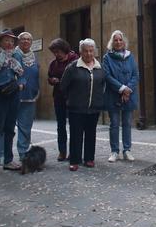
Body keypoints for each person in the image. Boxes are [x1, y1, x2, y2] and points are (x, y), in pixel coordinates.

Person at [61, 38, 106, 171]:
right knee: (76, 134)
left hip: (94, 108)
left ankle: (89, 159)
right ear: (81, 52)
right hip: (76, 108)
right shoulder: (73, 67)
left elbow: (102, 84)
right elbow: (63, 86)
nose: (88, 54)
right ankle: (75, 160)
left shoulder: (100, 67)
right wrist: (72, 99)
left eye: (91, 51)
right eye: (85, 51)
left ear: (94, 52)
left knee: (91, 134)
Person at [0, 29, 25, 175]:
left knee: (10, 128)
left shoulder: (16, 55)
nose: (9, 43)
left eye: (11, 40)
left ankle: (8, 160)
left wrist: (21, 84)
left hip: (13, 93)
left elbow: (21, 73)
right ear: (0, 41)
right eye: (6, 40)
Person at [102, 30, 140, 162]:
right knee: (114, 124)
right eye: (115, 40)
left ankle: (127, 150)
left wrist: (128, 90)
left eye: (120, 40)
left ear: (124, 42)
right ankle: (114, 151)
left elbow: (136, 75)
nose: (118, 42)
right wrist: (122, 88)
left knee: (127, 124)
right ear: (112, 42)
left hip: (129, 95)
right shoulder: (107, 57)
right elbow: (107, 76)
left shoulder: (130, 56)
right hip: (113, 95)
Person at [47, 38, 78, 162]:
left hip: (73, 97)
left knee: (74, 125)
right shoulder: (53, 64)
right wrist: (52, 80)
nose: (56, 54)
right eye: (54, 52)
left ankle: (73, 151)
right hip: (59, 97)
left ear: (64, 49)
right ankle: (62, 151)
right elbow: (49, 77)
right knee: (61, 125)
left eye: (58, 51)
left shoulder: (75, 60)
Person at [16, 32, 40, 163]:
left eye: (28, 39)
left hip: (30, 96)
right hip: (13, 96)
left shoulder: (35, 57)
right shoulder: (14, 55)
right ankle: (3, 156)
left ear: (31, 42)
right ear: (19, 41)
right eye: (23, 39)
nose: (25, 41)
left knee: (25, 127)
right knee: (6, 128)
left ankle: (23, 153)